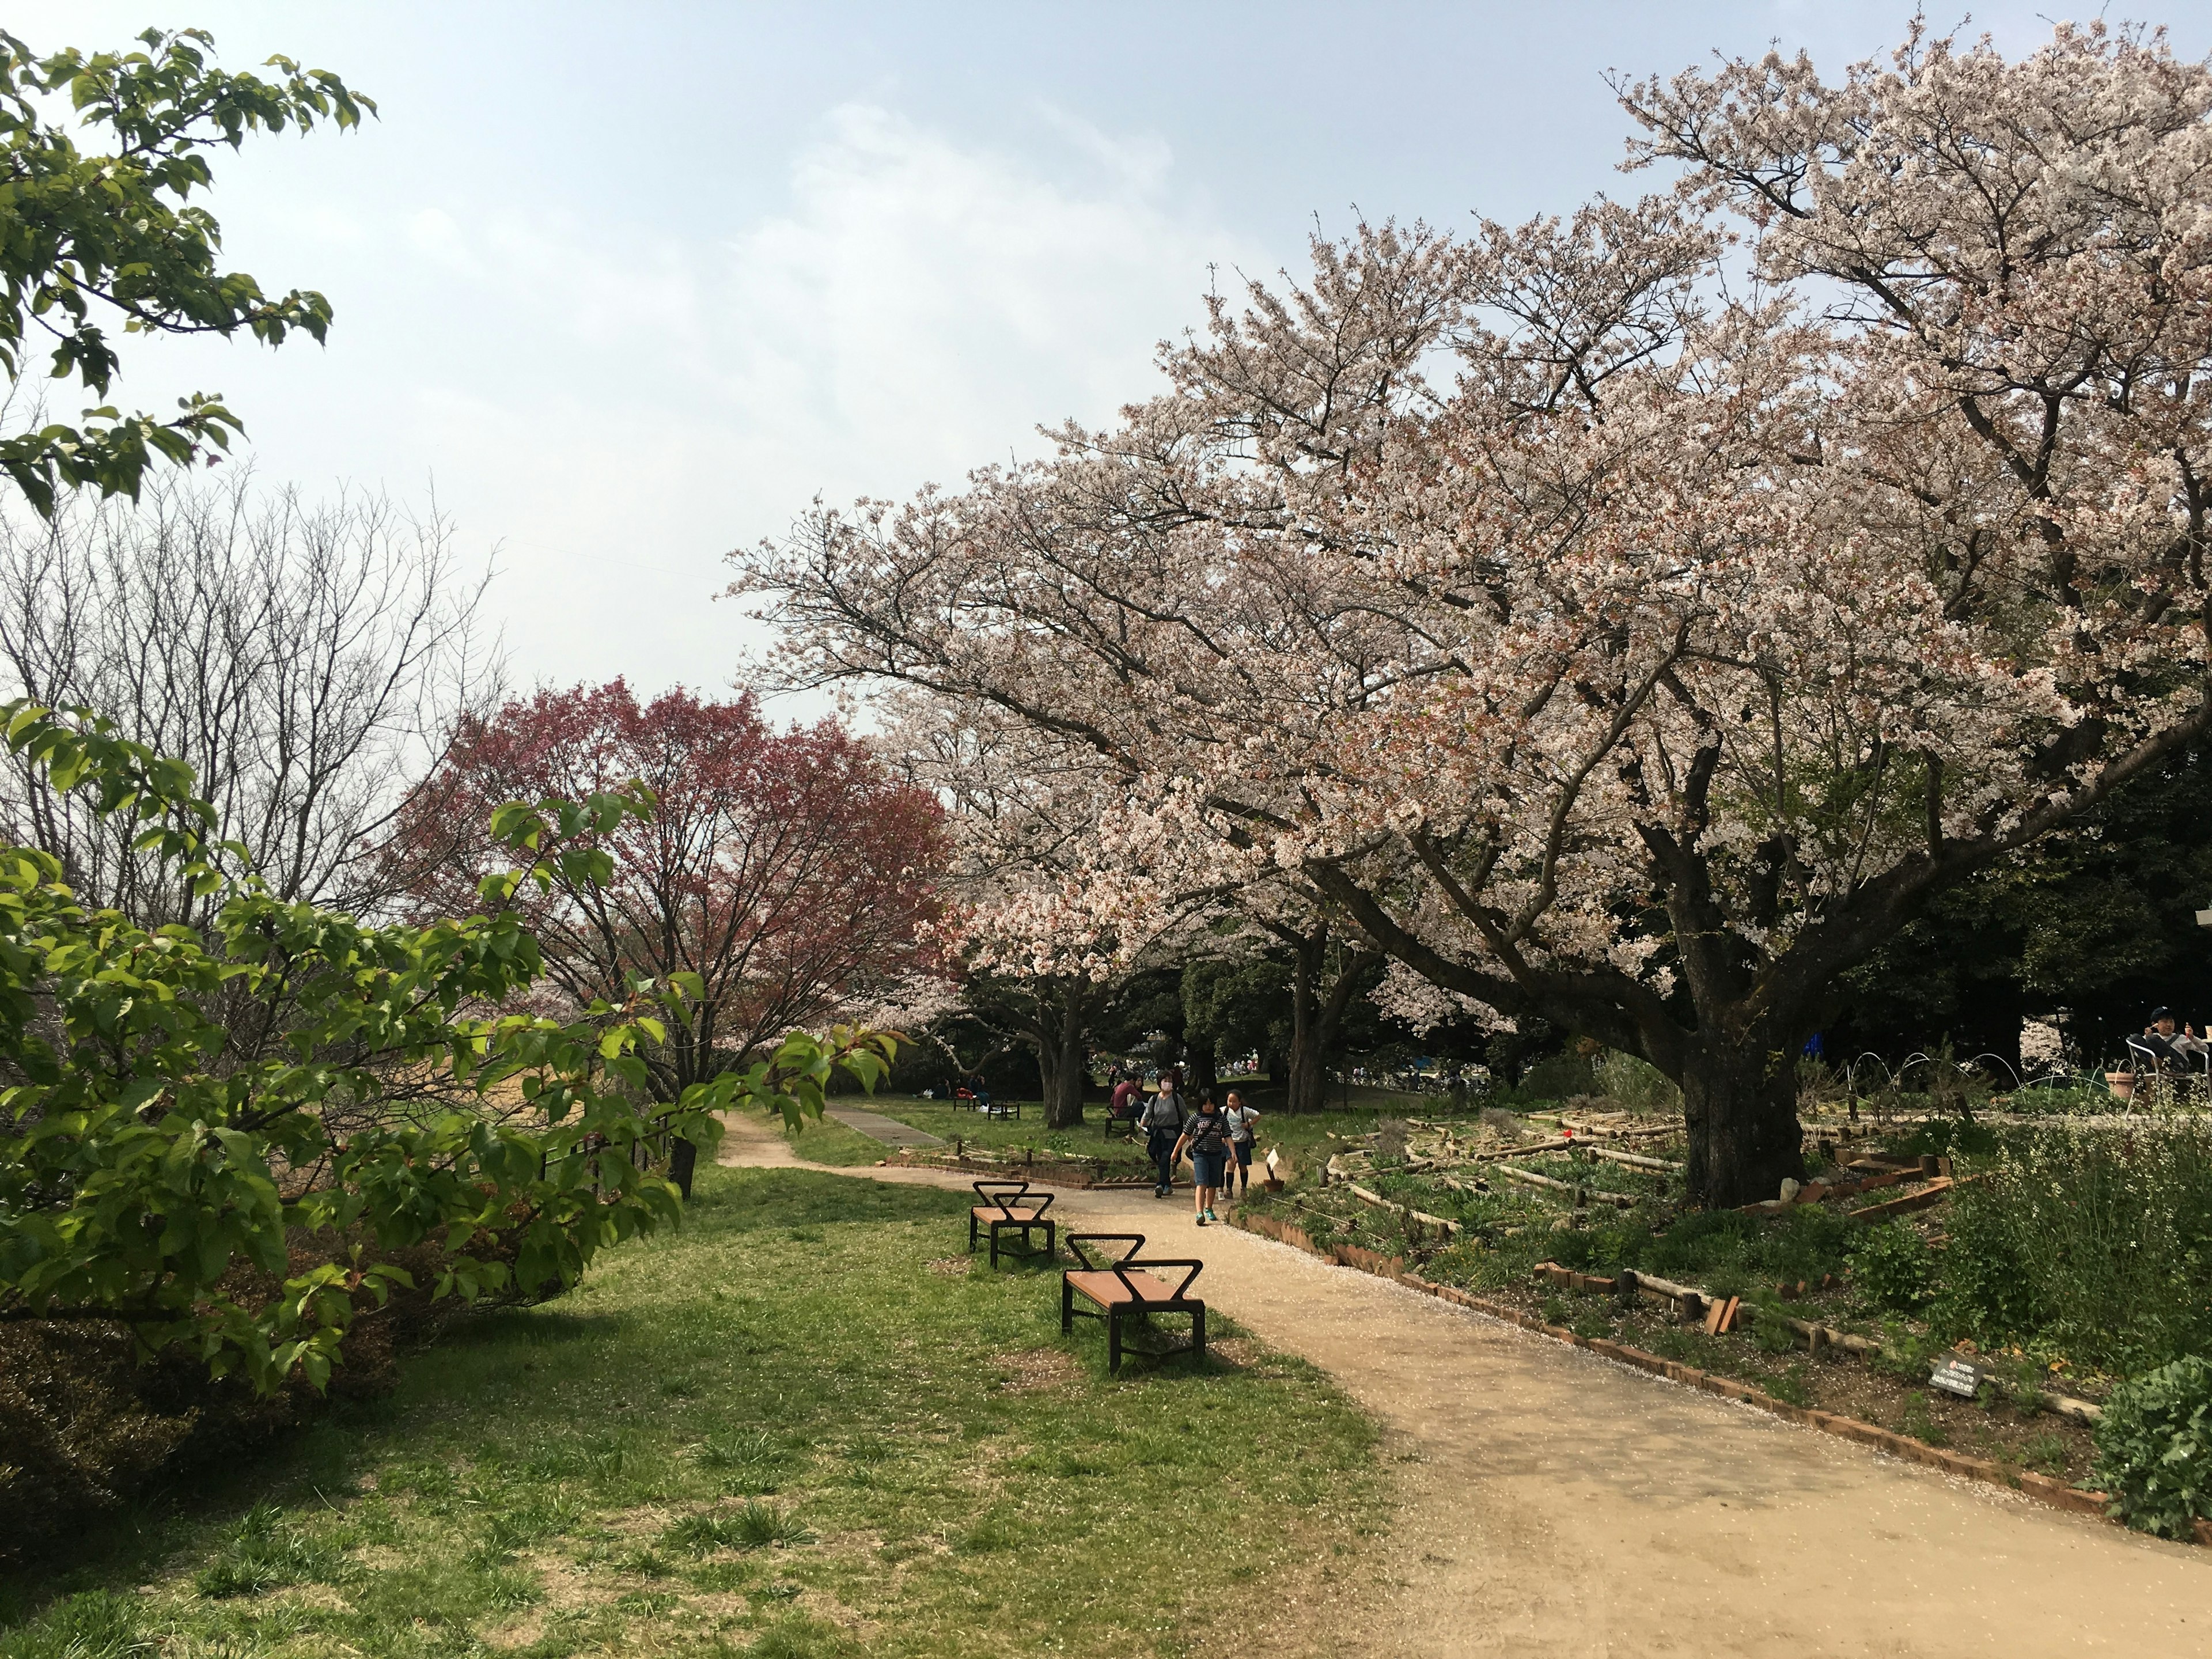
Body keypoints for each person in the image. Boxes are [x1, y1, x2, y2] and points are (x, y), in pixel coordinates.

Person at [1174, 1092, 1230, 1225]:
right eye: (1205, 1104)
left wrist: (1233, 1152)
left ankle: (1209, 1208)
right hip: (1200, 1154)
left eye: (1211, 1103)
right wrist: (1176, 1151)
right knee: (1202, 1183)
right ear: (1201, 1105)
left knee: (1212, 1184)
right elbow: (1185, 1135)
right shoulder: (1195, 1118)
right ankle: (1199, 1212)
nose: (1208, 1106)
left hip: (1216, 1154)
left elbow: (1228, 1136)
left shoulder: (1221, 1119)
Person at [1139, 1077, 1186, 1198]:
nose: (1168, 1083)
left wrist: (1190, 1133)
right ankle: (1167, 1184)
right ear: (1160, 1083)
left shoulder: (1177, 1098)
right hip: (1157, 1134)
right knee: (1157, 1156)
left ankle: (1160, 1184)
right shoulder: (1154, 1099)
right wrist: (1143, 1122)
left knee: (1166, 1158)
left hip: (1172, 1135)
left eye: (1170, 1081)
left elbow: (1185, 1116)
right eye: (1165, 1081)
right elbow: (1148, 1114)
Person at [1221, 1089, 1260, 1198]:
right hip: (1230, 1143)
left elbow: (1258, 1116)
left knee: (1243, 1166)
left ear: (1239, 1102)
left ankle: (1244, 1188)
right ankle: (1229, 1190)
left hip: (1243, 1142)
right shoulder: (1224, 1111)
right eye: (1229, 1101)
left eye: (1234, 1101)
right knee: (1230, 1164)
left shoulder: (1245, 1111)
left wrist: (1249, 1124)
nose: (1231, 1104)